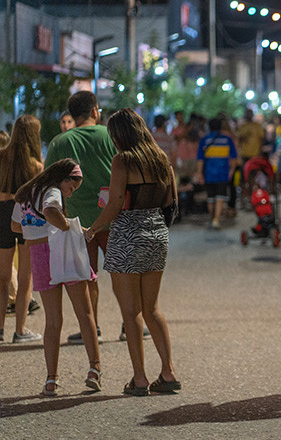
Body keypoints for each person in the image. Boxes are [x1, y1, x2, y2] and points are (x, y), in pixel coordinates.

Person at [85, 109, 180, 397]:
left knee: (131, 312)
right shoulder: (161, 159)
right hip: (156, 234)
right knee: (152, 308)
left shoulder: (123, 160)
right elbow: (171, 201)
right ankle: (168, 372)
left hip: (127, 234)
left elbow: (114, 203)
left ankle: (139, 378)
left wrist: (93, 229)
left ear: (121, 135)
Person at [12, 159, 100, 395]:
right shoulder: (52, 191)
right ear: (63, 178)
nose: (69, 194)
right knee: (85, 312)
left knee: (53, 320)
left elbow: (15, 226)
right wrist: (65, 227)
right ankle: (95, 369)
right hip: (61, 252)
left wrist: (36, 228)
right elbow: (51, 210)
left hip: (38, 255)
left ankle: (51, 379)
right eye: (71, 188)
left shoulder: (26, 193)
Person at [45, 91, 119, 344]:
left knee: (88, 275)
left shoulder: (60, 143)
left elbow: (48, 182)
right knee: (122, 273)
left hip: (77, 221)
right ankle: (130, 322)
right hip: (113, 217)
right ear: (95, 111)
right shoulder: (111, 135)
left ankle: (91, 326)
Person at [0, 115, 44, 343]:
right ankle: (20, 330)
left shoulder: (1, 156)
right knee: (25, 276)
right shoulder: (36, 165)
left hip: (2, 214)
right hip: (26, 217)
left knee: (3, 276)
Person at [196, 117, 238, 229]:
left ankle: (212, 218)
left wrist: (199, 173)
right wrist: (232, 170)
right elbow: (234, 157)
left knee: (210, 198)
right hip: (223, 173)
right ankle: (216, 219)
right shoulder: (227, 140)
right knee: (220, 197)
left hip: (209, 174)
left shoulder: (204, 140)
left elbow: (200, 159)